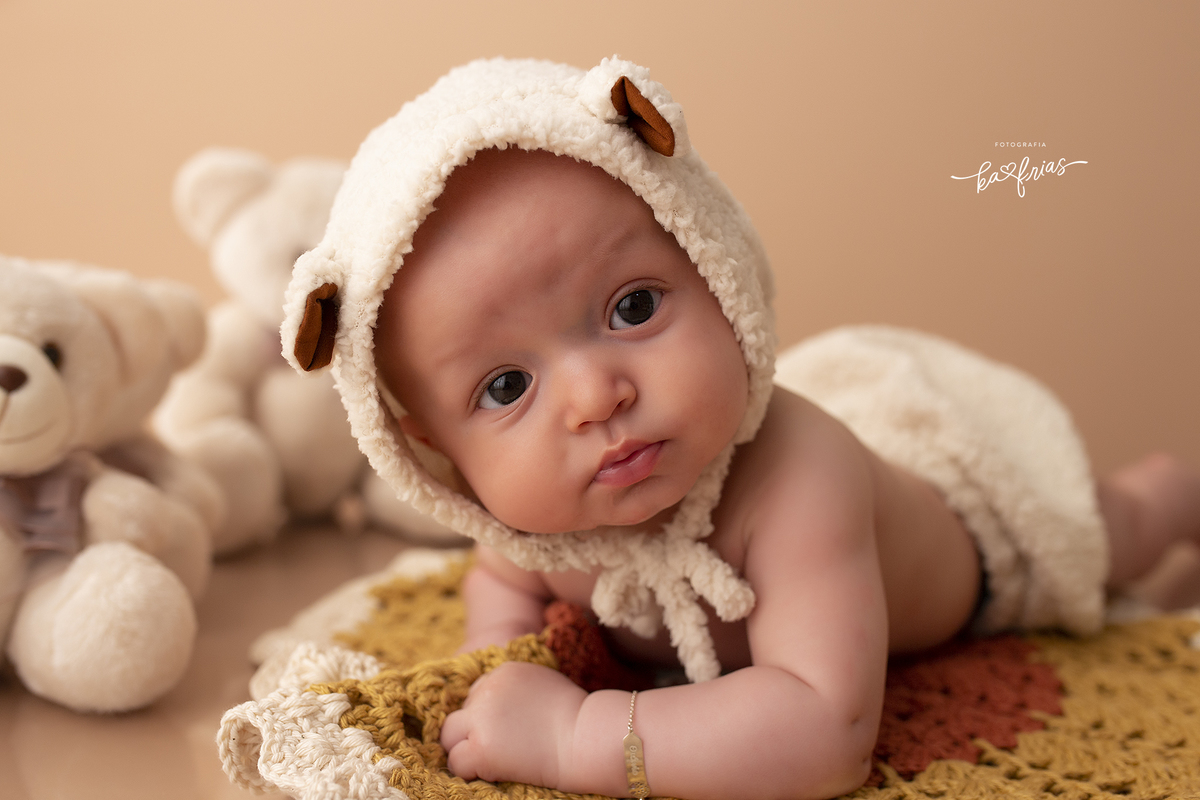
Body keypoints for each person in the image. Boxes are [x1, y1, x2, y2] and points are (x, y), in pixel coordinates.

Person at [280, 57, 1200, 800]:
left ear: (713, 265)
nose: (596, 397)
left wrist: (572, 736)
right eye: (507, 384)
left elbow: (822, 730)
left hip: (980, 541)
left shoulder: (801, 481)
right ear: (438, 456)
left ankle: (1174, 493)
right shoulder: (528, 521)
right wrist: (494, 654)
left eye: (633, 306)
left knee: (1104, 532)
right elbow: (502, 580)